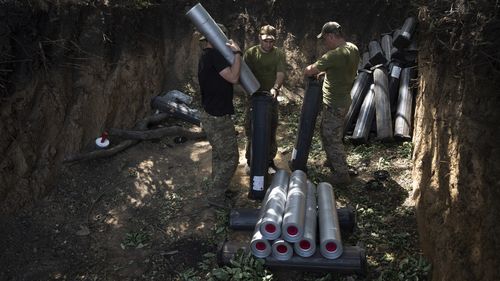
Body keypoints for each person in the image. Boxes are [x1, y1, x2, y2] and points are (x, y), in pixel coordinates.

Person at [304, 21, 360, 184]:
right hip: (343, 100)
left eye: (325, 39)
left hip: (334, 103)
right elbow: (340, 69)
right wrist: (327, 73)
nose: (324, 43)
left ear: (330, 36)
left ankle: (342, 175)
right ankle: (333, 160)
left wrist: (313, 70)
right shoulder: (352, 48)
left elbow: (309, 70)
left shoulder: (334, 55)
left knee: (331, 137)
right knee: (327, 132)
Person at [197, 24, 243, 203]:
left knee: (219, 154)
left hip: (209, 113)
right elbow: (233, 77)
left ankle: (219, 188)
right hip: (217, 117)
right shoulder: (215, 56)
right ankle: (215, 196)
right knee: (231, 159)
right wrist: (238, 54)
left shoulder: (205, 56)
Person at [243, 24, 286, 173]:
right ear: (259, 38)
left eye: (271, 41)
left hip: (270, 98)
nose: (268, 44)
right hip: (253, 98)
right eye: (265, 40)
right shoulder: (251, 53)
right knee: (251, 129)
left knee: (271, 128)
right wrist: (250, 91)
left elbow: (280, 73)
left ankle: (268, 160)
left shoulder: (278, 54)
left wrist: (275, 87)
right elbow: (244, 74)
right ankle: (250, 160)